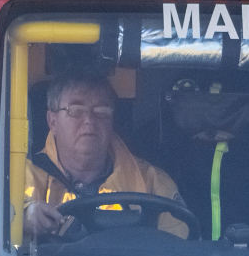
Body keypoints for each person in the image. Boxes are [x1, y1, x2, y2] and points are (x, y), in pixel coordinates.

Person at [23, 75, 189, 239]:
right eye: (76, 111)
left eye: (101, 111)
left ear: (112, 120)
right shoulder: (20, 179)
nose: (89, 120)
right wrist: (24, 218)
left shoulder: (153, 182)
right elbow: (2, 229)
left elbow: (181, 254)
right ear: (52, 122)